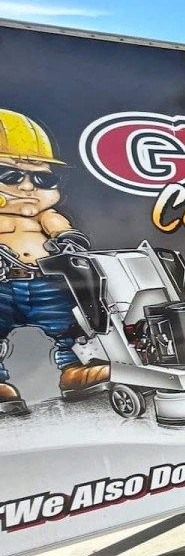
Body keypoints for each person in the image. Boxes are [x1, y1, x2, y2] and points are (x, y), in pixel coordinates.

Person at [0, 110, 109, 416]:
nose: (27, 187)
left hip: (46, 282)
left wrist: (69, 243)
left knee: (73, 326)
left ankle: (77, 369)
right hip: (2, 286)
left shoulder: (46, 215)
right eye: (10, 175)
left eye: (42, 178)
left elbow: (63, 230)